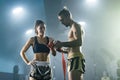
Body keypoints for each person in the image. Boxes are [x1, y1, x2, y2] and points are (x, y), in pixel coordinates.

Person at [54, 8, 85, 80]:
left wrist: (61, 44)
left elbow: (79, 42)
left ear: (68, 16)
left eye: (62, 20)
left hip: (76, 58)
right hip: (72, 58)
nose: (61, 22)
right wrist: (61, 50)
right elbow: (72, 48)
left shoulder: (75, 26)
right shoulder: (72, 28)